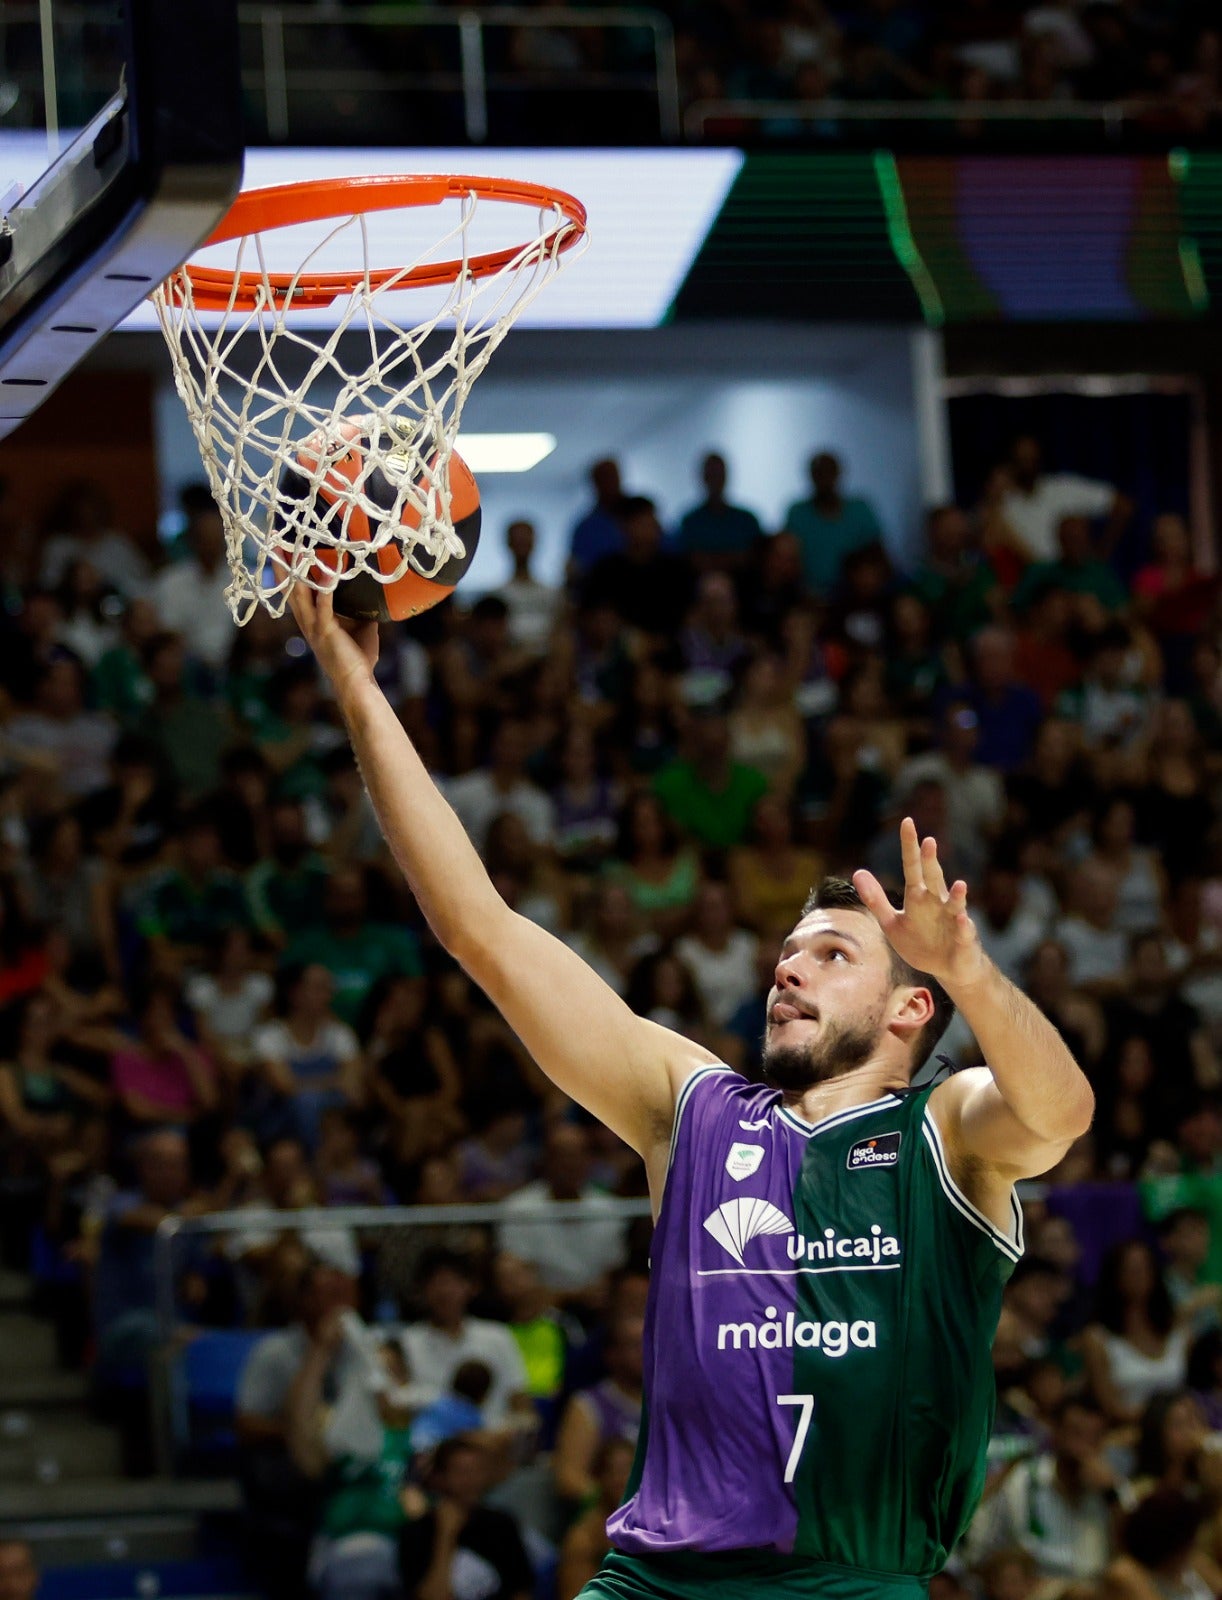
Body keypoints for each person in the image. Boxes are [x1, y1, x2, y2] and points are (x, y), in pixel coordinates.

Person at [285, 574, 1096, 1597]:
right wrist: (359, 689)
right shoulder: (693, 1105)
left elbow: (1061, 1114)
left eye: (833, 955)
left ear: (909, 1011)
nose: (787, 968)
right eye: (786, 953)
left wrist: (969, 970)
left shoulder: (945, 1128)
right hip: (655, 1578)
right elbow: (480, 931)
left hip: (850, 1581)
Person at [964, 1395, 1119, 1586]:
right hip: (1036, 1588)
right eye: (1076, 1434)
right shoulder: (1019, 1482)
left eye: (1093, 1438)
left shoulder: (1113, 1489)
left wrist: (1112, 1498)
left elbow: (1136, 1556)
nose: (1082, 1449)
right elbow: (978, 1555)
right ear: (1055, 1432)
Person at [998, 435, 1132, 563]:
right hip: (1034, 578)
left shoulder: (1062, 488)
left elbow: (1122, 505)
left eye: (1031, 459)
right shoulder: (1005, 504)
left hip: (1074, 576)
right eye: (1021, 459)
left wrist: (1101, 554)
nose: (1027, 465)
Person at [783, 450, 884, 595]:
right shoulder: (798, 513)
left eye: (828, 472)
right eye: (819, 474)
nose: (824, 480)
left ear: (839, 474)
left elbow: (877, 554)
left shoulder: (860, 510)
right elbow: (788, 559)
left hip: (856, 596)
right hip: (808, 596)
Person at [675, 453, 762, 574]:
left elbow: (754, 557)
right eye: (712, 475)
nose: (715, 480)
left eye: (718, 475)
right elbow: (690, 558)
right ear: (704, 478)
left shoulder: (747, 520)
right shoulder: (690, 521)